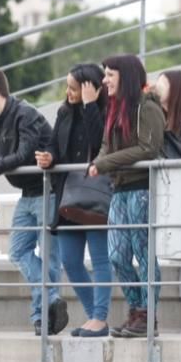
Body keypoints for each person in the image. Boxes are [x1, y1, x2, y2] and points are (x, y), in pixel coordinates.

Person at [0, 66, 68, 336]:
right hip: (28, 194)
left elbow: (22, 155)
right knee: (17, 251)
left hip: (48, 191)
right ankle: (51, 299)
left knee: (50, 259)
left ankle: (42, 319)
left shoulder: (25, 114)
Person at [89, 54, 165, 338]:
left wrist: (104, 163)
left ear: (127, 76)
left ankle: (148, 315)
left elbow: (149, 148)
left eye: (110, 74)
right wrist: (98, 162)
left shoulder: (147, 107)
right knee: (117, 255)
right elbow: (106, 146)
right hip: (120, 189)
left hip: (142, 188)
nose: (105, 80)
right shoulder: (114, 108)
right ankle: (136, 310)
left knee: (144, 254)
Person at [36, 63, 111, 337]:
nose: (68, 92)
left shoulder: (105, 110)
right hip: (68, 196)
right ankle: (93, 316)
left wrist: (91, 106)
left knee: (100, 258)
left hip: (95, 194)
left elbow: (100, 141)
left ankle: (100, 318)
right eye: (67, 86)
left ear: (90, 88)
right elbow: (55, 143)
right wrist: (49, 157)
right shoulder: (64, 111)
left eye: (74, 88)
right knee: (70, 260)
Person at [155, 69, 181, 144]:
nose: (157, 88)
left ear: (177, 88)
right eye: (157, 83)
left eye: (162, 84)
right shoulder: (155, 114)